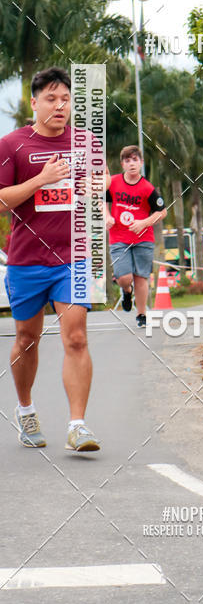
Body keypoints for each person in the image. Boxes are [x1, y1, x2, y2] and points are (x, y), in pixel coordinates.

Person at [0, 67, 109, 452]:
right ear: (34, 103)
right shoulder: (12, 144)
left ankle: (78, 425)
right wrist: (39, 180)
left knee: (76, 335)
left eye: (66, 99)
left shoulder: (86, 141)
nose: (59, 105)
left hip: (74, 257)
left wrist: (96, 188)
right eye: (51, 98)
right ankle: (26, 409)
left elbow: (101, 185)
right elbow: (1, 201)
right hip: (26, 260)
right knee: (27, 339)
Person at [105, 146, 166, 328]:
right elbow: (102, 201)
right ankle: (126, 290)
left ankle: (141, 314)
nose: (131, 164)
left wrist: (144, 223)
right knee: (124, 277)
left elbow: (162, 212)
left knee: (141, 277)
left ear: (141, 163)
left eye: (135, 160)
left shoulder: (148, 188)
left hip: (143, 238)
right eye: (127, 160)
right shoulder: (113, 182)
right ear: (122, 164)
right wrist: (107, 216)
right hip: (118, 237)